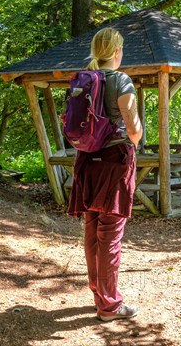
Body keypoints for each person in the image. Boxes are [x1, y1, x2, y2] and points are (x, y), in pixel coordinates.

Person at [67, 27, 143, 321]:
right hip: (114, 161)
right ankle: (109, 305)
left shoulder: (84, 79)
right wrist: (134, 138)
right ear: (115, 52)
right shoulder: (121, 81)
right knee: (110, 233)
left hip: (87, 160)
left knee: (92, 229)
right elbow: (133, 125)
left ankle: (99, 294)